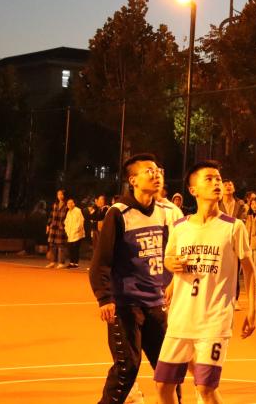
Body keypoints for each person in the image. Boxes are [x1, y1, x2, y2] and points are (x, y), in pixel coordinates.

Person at [154, 160, 256, 404]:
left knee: (205, 388)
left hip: (213, 320)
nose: (216, 183)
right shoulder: (180, 227)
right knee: (162, 386)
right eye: (208, 179)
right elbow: (169, 258)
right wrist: (171, 268)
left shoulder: (234, 227)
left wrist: (253, 309)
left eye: (218, 179)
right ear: (193, 190)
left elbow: (250, 270)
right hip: (180, 318)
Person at [89, 153, 176, 404]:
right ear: (133, 180)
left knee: (168, 368)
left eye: (158, 171)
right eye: (149, 171)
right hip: (125, 304)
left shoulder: (166, 212)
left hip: (155, 302)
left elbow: (171, 252)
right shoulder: (119, 213)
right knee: (127, 366)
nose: (156, 175)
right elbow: (101, 261)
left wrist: (171, 281)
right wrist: (104, 297)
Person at [45, 188, 68, 268]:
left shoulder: (67, 205)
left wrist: (64, 225)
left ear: (64, 195)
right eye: (58, 194)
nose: (60, 196)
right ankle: (52, 262)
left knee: (61, 245)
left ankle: (61, 263)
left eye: (61, 194)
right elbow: (51, 215)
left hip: (61, 227)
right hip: (53, 227)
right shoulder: (55, 204)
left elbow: (68, 217)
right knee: (52, 245)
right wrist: (48, 225)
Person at [244, 196, 256, 290]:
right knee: (250, 264)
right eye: (252, 204)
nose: (254, 206)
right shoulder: (249, 216)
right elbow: (246, 229)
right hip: (249, 243)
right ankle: (251, 281)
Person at [65, 196, 86, 269]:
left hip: (77, 234)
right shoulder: (68, 212)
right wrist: (67, 231)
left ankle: (76, 263)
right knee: (70, 248)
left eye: (71, 203)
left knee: (76, 248)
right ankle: (71, 263)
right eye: (68, 203)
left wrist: (75, 231)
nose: (69, 204)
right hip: (70, 234)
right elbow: (66, 222)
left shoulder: (78, 211)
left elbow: (80, 222)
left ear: (74, 204)